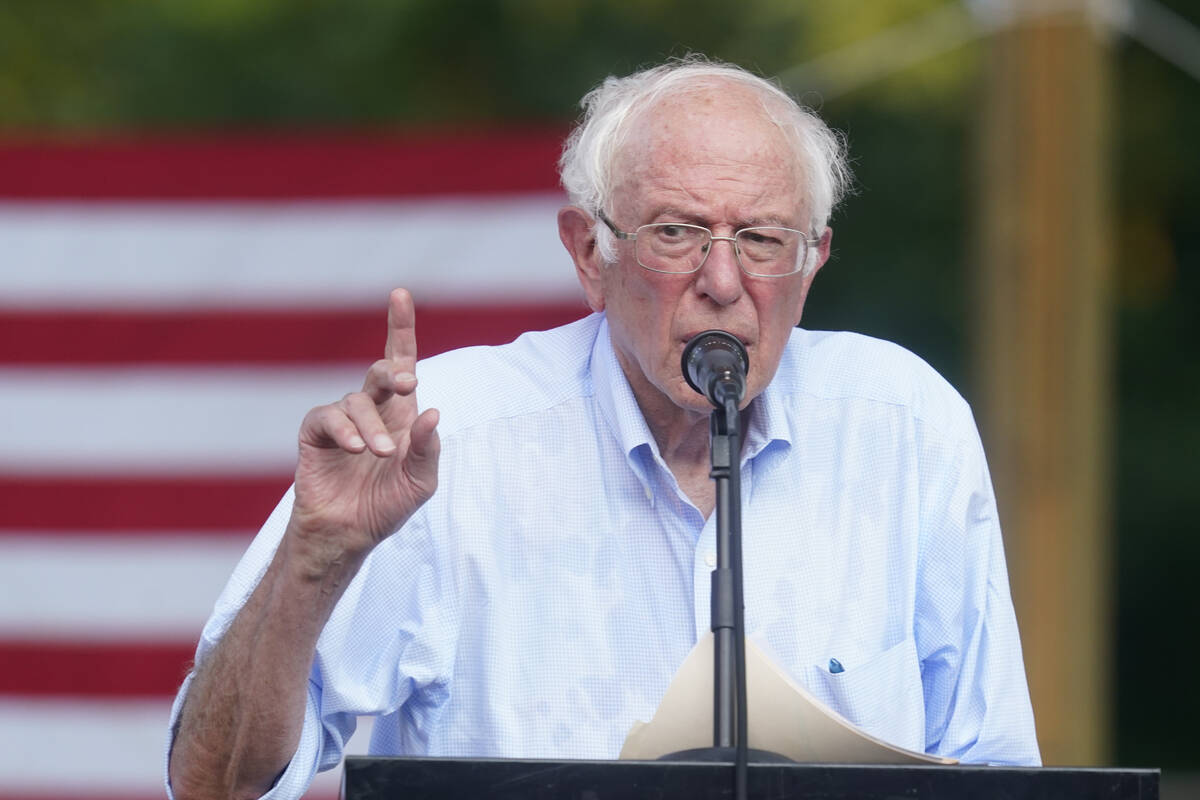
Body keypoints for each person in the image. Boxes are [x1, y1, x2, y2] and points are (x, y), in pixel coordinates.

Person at [166, 57, 1040, 800]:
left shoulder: (905, 424)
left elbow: (996, 767)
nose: (725, 281)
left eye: (765, 240)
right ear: (591, 254)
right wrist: (313, 567)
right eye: (678, 232)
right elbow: (212, 783)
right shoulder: (444, 438)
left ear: (814, 259)